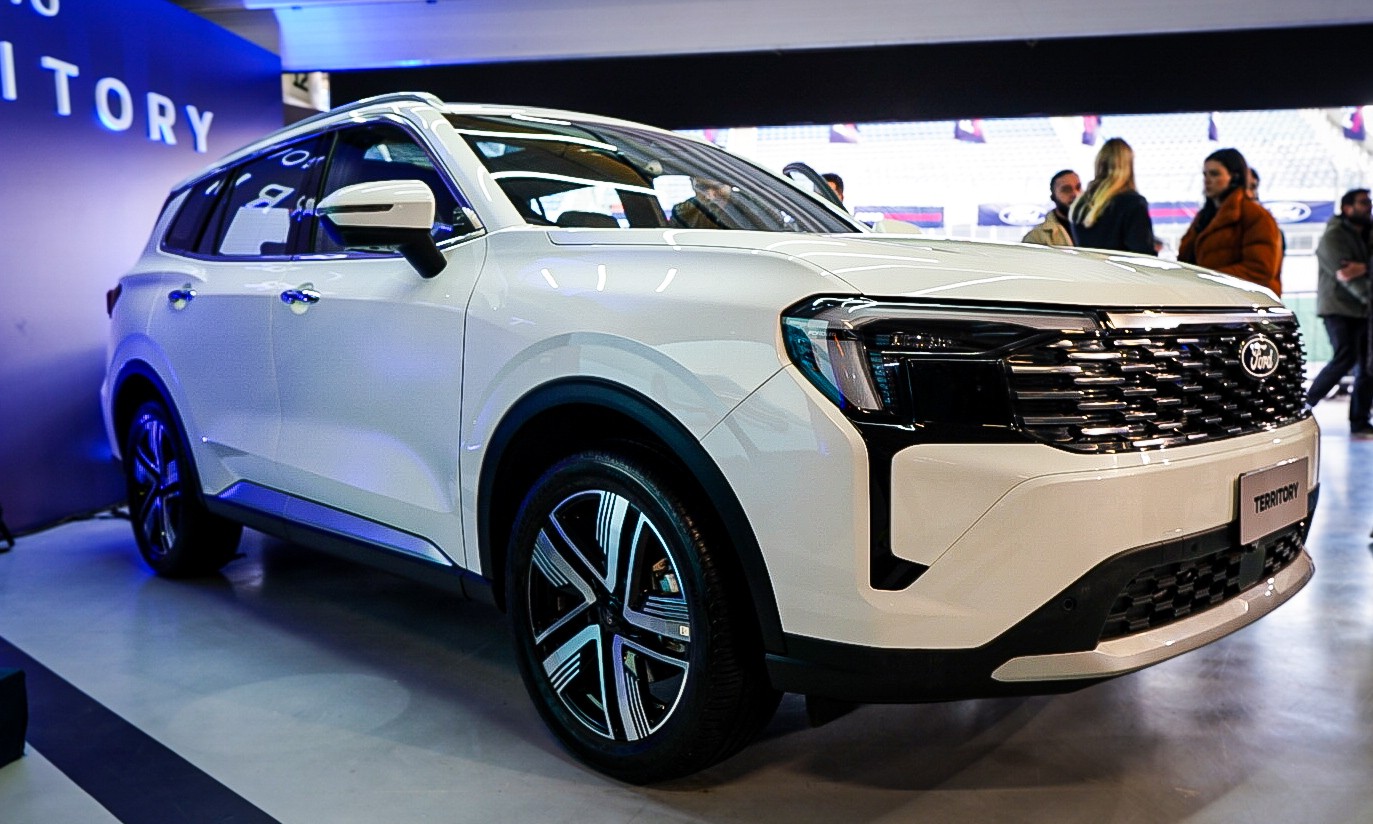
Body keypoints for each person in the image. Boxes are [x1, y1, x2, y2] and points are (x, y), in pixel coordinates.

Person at [1306, 188, 1372, 435]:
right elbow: (1345, 276)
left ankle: (1360, 420)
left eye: (1369, 202)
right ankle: (1306, 404)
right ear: (1347, 208)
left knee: (1367, 365)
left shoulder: (1368, 233)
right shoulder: (1333, 236)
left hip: (1363, 309)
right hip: (1338, 307)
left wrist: (1364, 267)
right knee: (1346, 356)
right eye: (1363, 202)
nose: (1369, 206)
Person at [1177, 148, 1283, 294]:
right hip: (1211, 299)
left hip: (1245, 303)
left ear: (1235, 177)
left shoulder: (1257, 216)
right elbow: (1185, 261)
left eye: (1215, 174)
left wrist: (1206, 279)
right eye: (1205, 174)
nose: (1207, 180)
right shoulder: (1204, 217)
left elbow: (1259, 270)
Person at [1068, 138, 1156, 254]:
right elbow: (1143, 254)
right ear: (1128, 166)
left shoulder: (1080, 203)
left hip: (1088, 266)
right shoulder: (1133, 203)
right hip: (1121, 266)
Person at [1023, 169, 1081, 247]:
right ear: (1053, 197)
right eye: (1066, 190)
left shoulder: (1094, 228)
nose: (1075, 194)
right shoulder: (1036, 238)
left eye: (1078, 187)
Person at [670, 177, 736, 229]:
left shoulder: (740, 211)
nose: (709, 196)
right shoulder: (683, 212)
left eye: (717, 187)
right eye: (702, 188)